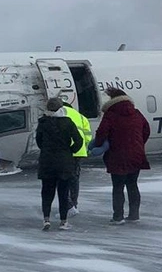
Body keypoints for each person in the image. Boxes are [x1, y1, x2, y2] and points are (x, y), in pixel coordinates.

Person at [92, 88, 150, 224]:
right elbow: (146, 130)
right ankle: (134, 215)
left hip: (117, 156)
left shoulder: (110, 115)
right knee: (132, 184)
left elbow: (101, 133)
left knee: (118, 187)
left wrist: (98, 145)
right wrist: (138, 144)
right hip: (136, 155)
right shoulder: (136, 113)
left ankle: (118, 217)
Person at [36, 97, 83, 230]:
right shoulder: (67, 122)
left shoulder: (43, 122)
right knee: (63, 192)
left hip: (47, 161)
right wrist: (70, 151)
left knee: (47, 192)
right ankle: (63, 221)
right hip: (64, 162)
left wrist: (46, 150)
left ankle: (46, 219)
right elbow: (79, 140)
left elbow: (39, 141)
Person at [62, 101, 92, 217]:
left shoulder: (61, 114)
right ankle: (74, 204)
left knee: (62, 179)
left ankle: (68, 206)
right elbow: (88, 136)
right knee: (74, 179)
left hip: (65, 151)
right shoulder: (81, 117)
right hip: (79, 151)